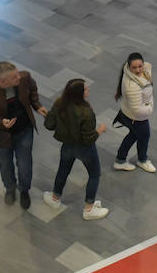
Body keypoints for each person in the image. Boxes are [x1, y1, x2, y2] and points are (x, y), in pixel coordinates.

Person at [0, 61, 48, 209]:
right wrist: (0, 122)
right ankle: (10, 188)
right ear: (2, 81)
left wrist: (37, 105)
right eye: (14, 77)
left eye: (18, 74)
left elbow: (32, 89)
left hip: (24, 131)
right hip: (1, 136)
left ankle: (24, 190)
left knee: (25, 164)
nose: (19, 78)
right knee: (5, 164)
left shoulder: (24, 78)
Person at [43, 78, 110, 220]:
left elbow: (49, 124)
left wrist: (50, 115)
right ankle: (89, 209)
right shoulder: (86, 112)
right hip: (85, 149)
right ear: (78, 94)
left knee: (63, 170)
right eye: (85, 89)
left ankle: (55, 198)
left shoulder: (59, 103)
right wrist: (100, 130)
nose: (88, 90)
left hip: (67, 145)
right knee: (94, 174)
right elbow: (88, 138)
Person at [113, 52, 155, 172]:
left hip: (130, 114)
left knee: (134, 135)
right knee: (144, 135)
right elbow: (137, 109)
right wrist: (150, 108)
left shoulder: (144, 71)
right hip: (136, 117)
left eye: (140, 66)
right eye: (134, 67)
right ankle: (141, 160)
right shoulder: (132, 85)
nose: (138, 70)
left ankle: (121, 160)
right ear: (129, 67)